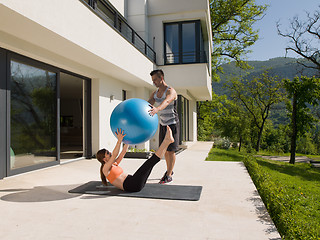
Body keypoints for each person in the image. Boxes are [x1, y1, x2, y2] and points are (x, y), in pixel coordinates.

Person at [96, 126, 174, 192]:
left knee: (151, 163)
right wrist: (119, 141)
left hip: (133, 181)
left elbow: (123, 152)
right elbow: (114, 155)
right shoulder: (105, 169)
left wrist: (128, 139)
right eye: (107, 153)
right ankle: (167, 141)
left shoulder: (114, 164)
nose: (110, 153)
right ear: (104, 159)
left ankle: (167, 142)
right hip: (132, 185)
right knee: (150, 162)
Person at [148, 69, 179, 184]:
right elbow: (148, 104)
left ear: (161, 78)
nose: (154, 82)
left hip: (172, 124)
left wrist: (157, 109)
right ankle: (169, 170)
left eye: (155, 79)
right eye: (153, 80)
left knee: (170, 151)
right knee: (164, 151)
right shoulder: (154, 93)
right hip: (163, 124)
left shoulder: (171, 91)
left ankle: (169, 174)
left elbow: (166, 102)